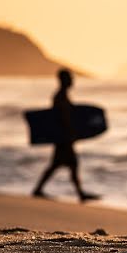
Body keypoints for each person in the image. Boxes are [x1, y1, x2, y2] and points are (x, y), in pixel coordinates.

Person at [32, 69, 100, 202]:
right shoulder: (60, 96)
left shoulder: (61, 95)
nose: (72, 81)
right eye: (70, 78)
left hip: (62, 137)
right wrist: (71, 133)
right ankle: (79, 194)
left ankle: (40, 189)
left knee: (62, 164)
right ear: (63, 80)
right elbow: (64, 118)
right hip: (64, 138)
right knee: (67, 164)